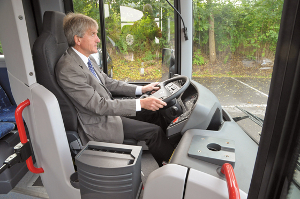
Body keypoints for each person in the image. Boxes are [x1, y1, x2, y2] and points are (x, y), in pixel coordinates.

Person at [55, 13, 174, 166]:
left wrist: (141, 89)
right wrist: (141, 104)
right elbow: (99, 106)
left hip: (108, 113)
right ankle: (172, 169)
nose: (98, 39)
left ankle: (167, 155)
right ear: (78, 39)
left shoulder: (87, 59)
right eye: (93, 34)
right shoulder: (68, 68)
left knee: (155, 113)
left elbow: (108, 83)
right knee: (154, 132)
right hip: (99, 123)